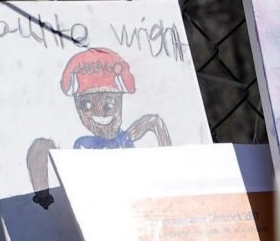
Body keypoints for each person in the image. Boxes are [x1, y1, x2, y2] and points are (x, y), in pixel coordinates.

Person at [26, 46, 171, 204]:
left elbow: (153, 122)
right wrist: (43, 196)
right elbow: (40, 150)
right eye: (87, 104)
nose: (100, 111)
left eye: (110, 102)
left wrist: (167, 171)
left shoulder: (123, 139)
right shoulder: (83, 145)